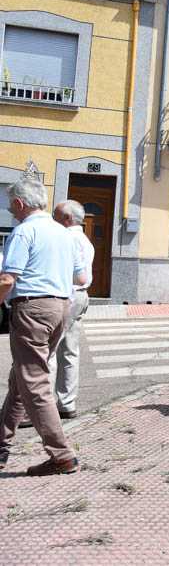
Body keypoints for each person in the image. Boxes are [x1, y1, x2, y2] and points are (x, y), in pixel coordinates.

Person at [0, 177, 87, 475]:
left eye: (11, 204)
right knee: (21, 379)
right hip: (59, 308)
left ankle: (62, 455)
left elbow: (7, 278)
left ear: (20, 203)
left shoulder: (24, 231)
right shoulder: (64, 233)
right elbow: (81, 278)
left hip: (32, 309)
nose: (10, 210)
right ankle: (1, 444)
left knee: (33, 382)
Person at [50, 200, 94, 419]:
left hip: (66, 295)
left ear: (67, 219)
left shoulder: (65, 238)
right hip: (81, 295)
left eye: (55, 216)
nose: (52, 220)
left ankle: (42, 407)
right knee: (70, 351)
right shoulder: (85, 240)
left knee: (49, 350)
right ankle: (67, 403)